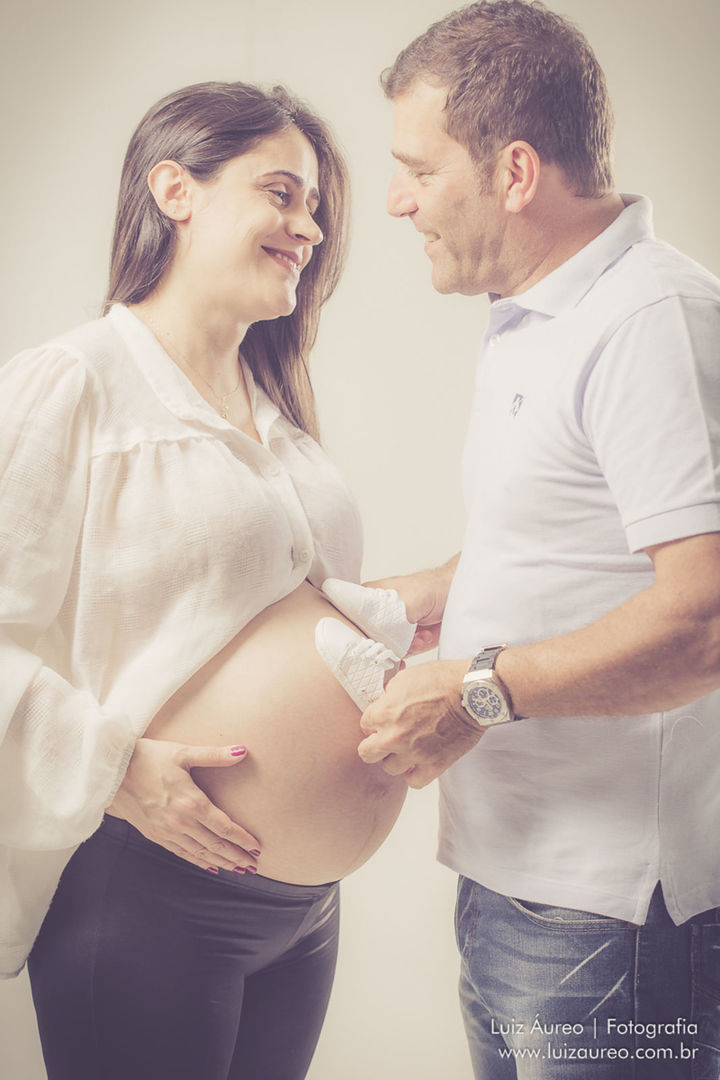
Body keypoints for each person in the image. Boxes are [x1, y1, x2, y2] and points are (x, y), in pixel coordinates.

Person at [0, 80, 413, 1080]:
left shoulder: (276, 408)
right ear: (175, 190)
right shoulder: (76, 382)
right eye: (282, 193)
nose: (308, 227)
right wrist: (116, 765)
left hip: (302, 911)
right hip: (149, 892)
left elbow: (253, 613)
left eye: (314, 205)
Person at [355, 2, 720, 1077]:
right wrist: (407, 598)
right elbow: (578, 546)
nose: (394, 201)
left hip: (612, 927)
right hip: (515, 890)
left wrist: (474, 687)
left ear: (514, 172)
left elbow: (703, 619)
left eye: (418, 170)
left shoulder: (648, 320)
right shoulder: (540, 313)